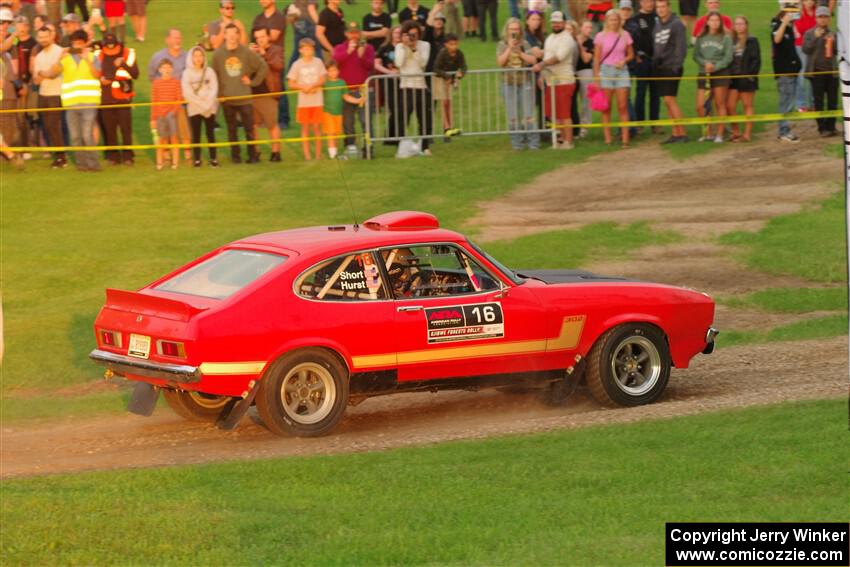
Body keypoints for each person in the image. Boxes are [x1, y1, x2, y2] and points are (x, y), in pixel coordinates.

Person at [212, 23, 268, 163]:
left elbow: (263, 66)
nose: (231, 37)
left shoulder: (246, 52)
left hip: (244, 98)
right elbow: (215, 76)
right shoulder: (218, 55)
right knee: (232, 130)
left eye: (234, 33)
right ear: (224, 35)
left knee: (249, 129)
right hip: (227, 98)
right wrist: (220, 95)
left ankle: (252, 155)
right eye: (228, 33)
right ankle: (235, 156)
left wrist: (253, 82)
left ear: (238, 35)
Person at [52, 29, 101, 171]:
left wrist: (86, 59)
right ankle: (81, 165)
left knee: (87, 135)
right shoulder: (66, 59)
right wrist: (60, 58)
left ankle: (93, 164)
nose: (77, 46)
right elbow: (53, 72)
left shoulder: (93, 57)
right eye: (74, 43)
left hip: (89, 102)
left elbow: (97, 74)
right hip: (70, 103)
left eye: (80, 43)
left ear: (86, 44)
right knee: (75, 137)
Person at [534, 11, 577, 149]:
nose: (556, 24)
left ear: (564, 23)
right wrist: (542, 75)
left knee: (564, 113)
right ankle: (560, 139)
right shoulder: (549, 38)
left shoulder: (567, 39)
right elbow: (546, 56)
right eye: (553, 22)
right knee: (554, 113)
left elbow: (558, 57)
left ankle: (568, 141)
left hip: (564, 80)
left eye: (558, 22)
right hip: (551, 81)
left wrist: (541, 65)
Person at [333, 20, 374, 158]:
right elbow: (336, 60)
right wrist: (349, 51)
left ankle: (368, 148)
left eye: (356, 32)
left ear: (360, 33)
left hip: (362, 90)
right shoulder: (340, 47)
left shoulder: (367, 48)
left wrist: (361, 55)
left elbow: (370, 66)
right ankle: (350, 148)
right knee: (348, 122)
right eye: (351, 33)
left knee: (365, 120)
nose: (354, 36)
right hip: (346, 91)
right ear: (346, 34)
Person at [97, 31, 139, 165]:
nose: (110, 48)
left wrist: (123, 64)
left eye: (112, 45)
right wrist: (101, 80)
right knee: (110, 129)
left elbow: (135, 74)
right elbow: (94, 74)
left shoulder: (127, 53)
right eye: (107, 45)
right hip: (106, 97)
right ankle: (113, 156)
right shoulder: (98, 55)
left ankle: (128, 156)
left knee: (126, 129)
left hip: (123, 97)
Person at [498, 17, 539, 150]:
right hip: (508, 83)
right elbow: (500, 62)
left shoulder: (525, 43)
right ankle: (517, 144)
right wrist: (509, 48)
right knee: (513, 115)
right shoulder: (502, 44)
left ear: (520, 30)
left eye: (516, 29)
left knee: (528, 114)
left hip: (524, 81)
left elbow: (532, 60)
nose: (514, 31)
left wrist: (520, 52)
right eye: (511, 29)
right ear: (507, 30)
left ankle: (533, 143)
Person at [594, 9, 633, 146]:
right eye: (611, 19)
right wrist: (596, 77)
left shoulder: (625, 35)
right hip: (606, 71)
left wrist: (624, 60)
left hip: (621, 71)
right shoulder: (600, 36)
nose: (614, 22)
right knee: (606, 107)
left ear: (619, 21)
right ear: (607, 21)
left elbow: (630, 54)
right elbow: (597, 58)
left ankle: (625, 139)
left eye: (616, 19)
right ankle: (608, 138)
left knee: (622, 106)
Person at [693, 11, 732, 142]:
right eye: (712, 20)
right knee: (700, 105)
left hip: (720, 73)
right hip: (704, 72)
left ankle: (719, 134)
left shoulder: (725, 37)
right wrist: (705, 64)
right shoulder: (701, 37)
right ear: (707, 22)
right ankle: (708, 132)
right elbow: (696, 55)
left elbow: (728, 57)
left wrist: (716, 66)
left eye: (717, 20)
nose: (715, 23)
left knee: (719, 103)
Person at [395, 20, 432, 154]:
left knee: (424, 118)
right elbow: (399, 63)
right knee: (404, 117)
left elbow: (423, 63)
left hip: (421, 85)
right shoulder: (399, 47)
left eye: (414, 34)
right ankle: (404, 145)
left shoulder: (425, 45)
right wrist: (406, 47)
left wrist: (414, 48)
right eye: (410, 34)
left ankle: (425, 146)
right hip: (406, 86)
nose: (412, 37)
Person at [652, 0, 688, 143]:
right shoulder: (657, 24)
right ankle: (675, 132)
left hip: (671, 67)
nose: (660, 9)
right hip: (660, 67)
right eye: (658, 7)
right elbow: (656, 45)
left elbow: (681, 47)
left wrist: (676, 66)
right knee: (667, 101)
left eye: (662, 7)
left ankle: (682, 132)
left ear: (668, 7)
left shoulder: (677, 24)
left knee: (670, 99)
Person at [32, 25, 67, 168]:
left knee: (54, 126)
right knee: (47, 126)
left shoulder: (59, 51)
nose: (43, 40)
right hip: (43, 94)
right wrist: (46, 73)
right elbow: (36, 79)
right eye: (40, 37)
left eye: (46, 36)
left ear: (52, 36)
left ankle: (61, 157)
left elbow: (55, 73)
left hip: (55, 94)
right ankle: (58, 155)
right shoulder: (39, 56)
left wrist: (44, 73)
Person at [288, 37, 327, 160]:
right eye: (305, 49)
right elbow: (291, 83)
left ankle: (318, 154)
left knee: (316, 127)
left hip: (317, 100)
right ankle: (307, 155)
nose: (308, 51)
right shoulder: (297, 64)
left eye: (310, 49)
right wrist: (302, 87)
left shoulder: (318, 62)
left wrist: (314, 85)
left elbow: (323, 79)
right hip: (303, 103)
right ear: (300, 50)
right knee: (305, 127)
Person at [802, 6, 838, 137]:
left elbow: (837, 52)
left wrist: (834, 43)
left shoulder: (833, 33)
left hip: (832, 72)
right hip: (816, 72)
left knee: (833, 101)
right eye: (820, 17)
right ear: (816, 18)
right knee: (818, 101)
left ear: (829, 19)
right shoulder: (809, 33)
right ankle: (822, 128)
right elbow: (806, 49)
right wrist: (816, 38)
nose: (823, 20)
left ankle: (831, 126)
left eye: (825, 17)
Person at [253, 0, 289, 130]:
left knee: (279, 89)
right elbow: (253, 36)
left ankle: (283, 119)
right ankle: (263, 118)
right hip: (260, 59)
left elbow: (273, 36)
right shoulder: (258, 18)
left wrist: (260, 39)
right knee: (262, 87)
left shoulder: (279, 17)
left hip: (275, 56)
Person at [182, 45, 220, 167]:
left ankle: (213, 158)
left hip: (210, 108)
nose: (198, 58)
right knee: (196, 133)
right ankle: (197, 159)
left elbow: (214, 89)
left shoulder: (209, 72)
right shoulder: (186, 74)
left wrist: (207, 105)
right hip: (194, 109)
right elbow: (187, 93)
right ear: (191, 58)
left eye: (200, 56)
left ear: (204, 57)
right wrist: (201, 105)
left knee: (210, 133)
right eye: (195, 56)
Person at [251, 26, 284, 161]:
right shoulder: (252, 51)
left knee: (272, 124)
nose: (260, 40)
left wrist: (264, 54)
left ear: (269, 36)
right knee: (252, 124)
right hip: (252, 93)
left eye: (262, 37)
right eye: (257, 38)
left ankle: (276, 153)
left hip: (268, 92)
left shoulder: (276, 50)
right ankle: (255, 152)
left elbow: (278, 66)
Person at [771, 2, 802, 142]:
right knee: (786, 102)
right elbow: (777, 39)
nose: (794, 16)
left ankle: (786, 129)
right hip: (784, 73)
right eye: (792, 13)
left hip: (792, 71)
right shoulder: (777, 25)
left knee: (790, 102)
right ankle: (784, 131)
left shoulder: (790, 28)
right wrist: (784, 23)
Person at [628, 0, 660, 133]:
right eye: (647, 1)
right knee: (640, 92)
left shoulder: (658, 18)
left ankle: (655, 123)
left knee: (655, 93)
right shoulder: (635, 20)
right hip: (642, 60)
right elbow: (631, 40)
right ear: (641, 3)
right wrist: (635, 55)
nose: (650, 4)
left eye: (652, 1)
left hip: (657, 61)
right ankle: (640, 123)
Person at [726, 15, 759, 142]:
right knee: (730, 106)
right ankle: (735, 131)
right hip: (733, 77)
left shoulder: (752, 40)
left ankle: (747, 134)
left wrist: (750, 75)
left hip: (747, 78)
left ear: (746, 25)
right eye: (737, 24)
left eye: (741, 24)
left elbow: (756, 60)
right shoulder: (731, 41)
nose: (739, 26)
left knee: (747, 105)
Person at [11, 15, 37, 157]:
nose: (20, 27)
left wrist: (27, 84)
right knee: (14, 117)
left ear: (27, 27)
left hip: (27, 84)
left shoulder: (33, 43)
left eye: (22, 25)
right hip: (13, 84)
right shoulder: (13, 42)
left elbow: (33, 66)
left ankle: (26, 148)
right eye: (17, 25)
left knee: (24, 117)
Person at [150, 58, 182, 170]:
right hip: (160, 115)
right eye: (164, 68)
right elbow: (154, 101)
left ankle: (175, 162)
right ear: (160, 70)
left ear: (172, 69)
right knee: (161, 139)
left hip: (171, 114)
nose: (166, 70)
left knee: (174, 138)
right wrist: (153, 118)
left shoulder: (176, 82)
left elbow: (179, 98)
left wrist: (173, 111)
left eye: (168, 68)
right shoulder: (156, 83)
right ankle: (160, 162)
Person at [433, 32, 466, 137]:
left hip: (450, 80)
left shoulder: (459, 53)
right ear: (446, 44)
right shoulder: (442, 53)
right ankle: (447, 127)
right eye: (451, 44)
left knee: (449, 102)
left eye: (455, 44)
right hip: (440, 79)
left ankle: (450, 126)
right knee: (444, 102)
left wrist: (461, 73)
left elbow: (464, 66)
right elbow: (436, 68)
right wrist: (446, 76)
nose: (454, 46)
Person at [374, 25, 402, 141]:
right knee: (393, 108)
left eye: (400, 33)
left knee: (402, 109)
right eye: (395, 33)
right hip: (388, 82)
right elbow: (376, 64)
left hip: (402, 81)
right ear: (391, 34)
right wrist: (388, 72)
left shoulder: (405, 47)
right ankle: (390, 136)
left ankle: (395, 135)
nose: (397, 35)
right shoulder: (384, 48)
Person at [794, 0, 816, 112]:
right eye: (807, 0)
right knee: (801, 76)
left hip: (815, 47)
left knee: (813, 75)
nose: (809, 2)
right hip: (800, 46)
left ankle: (812, 103)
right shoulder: (799, 12)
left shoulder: (817, 12)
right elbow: (800, 29)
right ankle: (800, 104)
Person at [575, 19, 595, 137]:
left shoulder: (591, 43)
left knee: (585, 101)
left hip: (585, 71)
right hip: (572, 71)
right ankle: (574, 126)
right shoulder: (573, 38)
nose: (589, 30)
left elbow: (586, 59)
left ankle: (584, 126)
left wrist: (580, 46)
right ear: (581, 28)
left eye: (591, 28)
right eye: (587, 27)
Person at [286, 0, 320, 67]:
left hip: (297, 24)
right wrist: (320, 25)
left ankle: (290, 72)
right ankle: (322, 71)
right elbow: (311, 9)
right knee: (318, 49)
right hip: (309, 24)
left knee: (296, 51)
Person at [323, 60, 345, 158]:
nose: (333, 73)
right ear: (327, 72)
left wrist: (358, 100)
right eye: (330, 71)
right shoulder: (325, 84)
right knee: (330, 133)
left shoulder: (342, 82)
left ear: (338, 71)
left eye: (335, 70)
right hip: (327, 112)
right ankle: (332, 154)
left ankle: (334, 151)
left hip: (339, 112)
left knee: (336, 133)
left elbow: (346, 96)